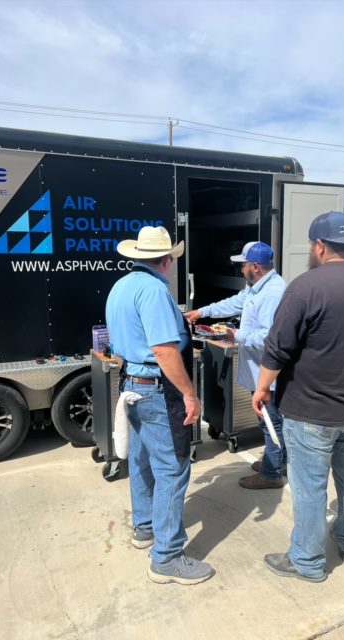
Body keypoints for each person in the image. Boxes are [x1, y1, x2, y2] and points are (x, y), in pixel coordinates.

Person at [252, 211, 344, 583]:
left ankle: (308, 562)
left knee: (310, 487)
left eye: (314, 245)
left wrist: (262, 388)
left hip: (311, 411)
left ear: (320, 245)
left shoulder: (306, 287)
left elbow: (277, 349)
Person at [106, 225, 214, 585]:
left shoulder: (122, 286)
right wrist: (189, 394)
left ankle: (145, 528)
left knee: (141, 460)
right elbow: (164, 350)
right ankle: (167, 558)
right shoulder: (154, 291)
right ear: (167, 260)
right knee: (172, 467)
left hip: (132, 384)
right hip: (156, 388)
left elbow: (125, 341)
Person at [186, 241, 287, 489]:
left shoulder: (273, 293)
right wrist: (201, 312)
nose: (240, 270)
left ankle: (273, 473)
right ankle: (275, 461)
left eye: (242, 265)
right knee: (268, 420)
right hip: (259, 371)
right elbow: (234, 302)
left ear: (255, 267)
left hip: (268, 373)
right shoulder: (257, 287)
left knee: (271, 421)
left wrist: (234, 336)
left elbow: (269, 338)